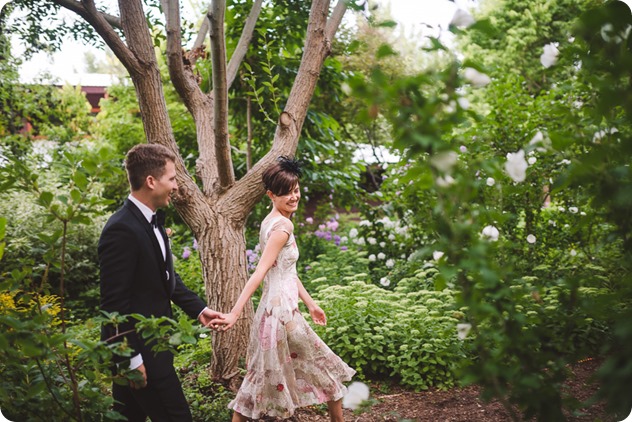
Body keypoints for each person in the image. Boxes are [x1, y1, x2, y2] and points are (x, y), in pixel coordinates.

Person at [220, 156, 356, 422]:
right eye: (286, 193)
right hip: (283, 314)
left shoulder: (269, 222)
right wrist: (235, 313)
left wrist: (311, 303)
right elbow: (260, 271)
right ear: (271, 194)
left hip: (275, 311)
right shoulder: (283, 226)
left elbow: (286, 272)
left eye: (295, 189)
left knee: (259, 377)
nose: (294, 197)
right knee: (324, 370)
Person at [98, 143, 223, 422]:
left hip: (155, 348)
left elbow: (168, 280)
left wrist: (201, 311)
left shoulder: (153, 221)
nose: (177, 186)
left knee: (127, 417)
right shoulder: (121, 229)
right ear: (151, 181)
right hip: (140, 353)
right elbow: (112, 304)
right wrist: (130, 360)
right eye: (173, 178)